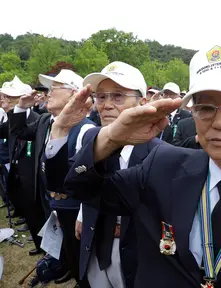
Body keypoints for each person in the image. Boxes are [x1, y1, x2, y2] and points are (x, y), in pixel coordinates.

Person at [61, 43, 221, 288]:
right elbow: (81, 187)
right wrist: (110, 137)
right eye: (206, 108)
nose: (220, 122)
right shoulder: (161, 168)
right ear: (193, 113)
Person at [45, 61, 160, 288]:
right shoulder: (91, 139)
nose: (107, 105)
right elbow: (62, 184)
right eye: (101, 97)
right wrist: (59, 129)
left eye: (118, 96)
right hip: (94, 246)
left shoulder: (157, 152)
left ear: (143, 101)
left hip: (136, 255)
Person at [10, 69, 95, 287]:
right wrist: (21, 106)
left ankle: (79, 275)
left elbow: (92, 180)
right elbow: (18, 132)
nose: (49, 93)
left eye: (55, 88)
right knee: (62, 245)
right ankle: (66, 266)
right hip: (49, 200)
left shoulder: (86, 129)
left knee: (79, 253)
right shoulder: (45, 120)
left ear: (74, 94)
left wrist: (84, 214)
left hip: (74, 208)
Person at [0, 76, 46, 255]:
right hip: (18, 177)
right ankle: (39, 246)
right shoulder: (11, 121)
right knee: (30, 216)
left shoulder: (38, 119)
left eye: (11, 98)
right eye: (5, 98)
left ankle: (50, 252)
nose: (6, 101)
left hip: (35, 181)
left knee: (41, 216)